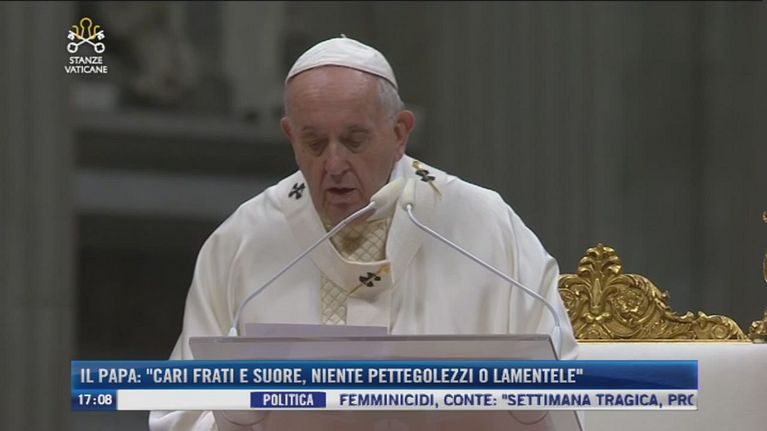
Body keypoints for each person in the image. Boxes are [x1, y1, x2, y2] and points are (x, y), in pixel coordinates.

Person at [149, 36, 578, 431]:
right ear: (290, 136)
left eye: (354, 140)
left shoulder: (485, 225)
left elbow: (559, 386)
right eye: (314, 143)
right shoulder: (242, 241)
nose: (334, 164)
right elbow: (180, 412)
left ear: (400, 133)